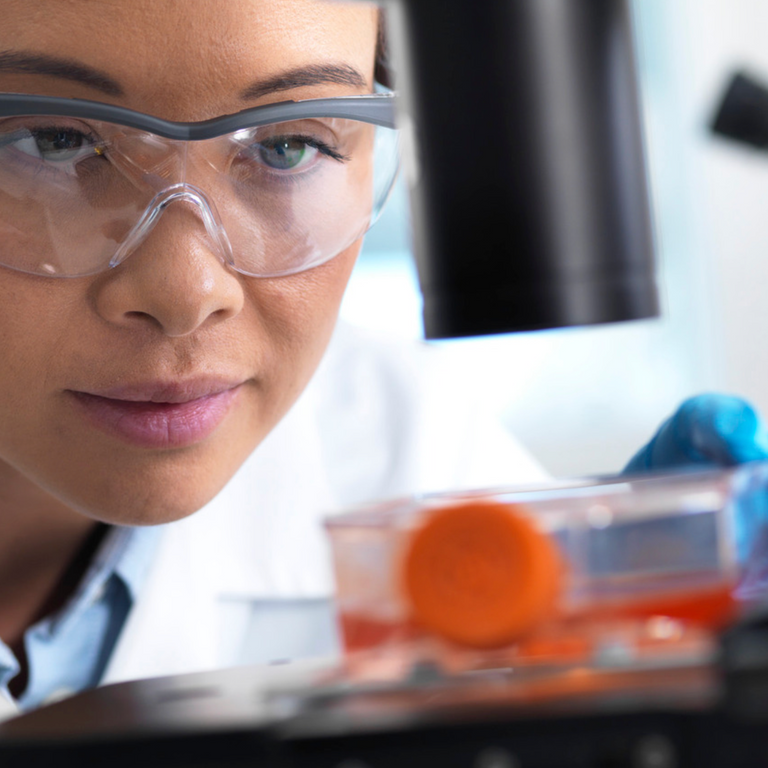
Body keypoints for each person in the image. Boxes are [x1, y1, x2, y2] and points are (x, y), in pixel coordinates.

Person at [0, 0, 764, 720]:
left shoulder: (408, 457)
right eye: (53, 142)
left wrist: (634, 657)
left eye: (286, 146)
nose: (187, 291)